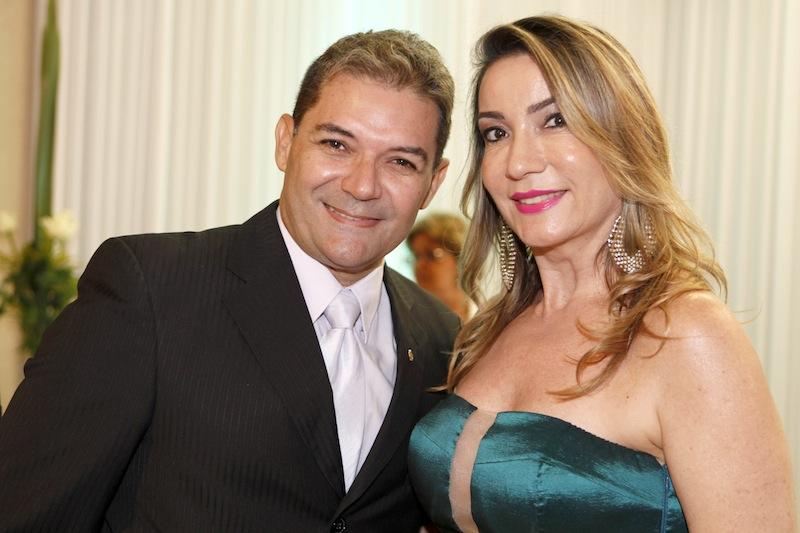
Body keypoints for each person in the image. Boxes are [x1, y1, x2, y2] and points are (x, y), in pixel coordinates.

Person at [0, 30, 460, 531]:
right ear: (285, 142)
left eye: (400, 161)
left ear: (432, 183)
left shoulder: (441, 338)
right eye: (336, 144)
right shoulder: (149, 290)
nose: (362, 185)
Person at [408, 15, 796, 532]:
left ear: (623, 140)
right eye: (496, 133)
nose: (518, 162)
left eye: (555, 120)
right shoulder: (486, 331)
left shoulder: (687, 336)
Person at [407, 213, 473, 322]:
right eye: (417, 256)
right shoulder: (406, 319)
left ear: (462, 260)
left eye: (432, 255)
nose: (420, 265)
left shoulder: (490, 320)